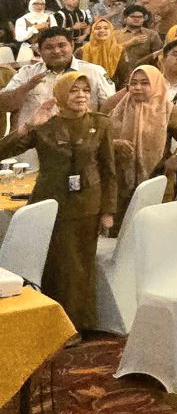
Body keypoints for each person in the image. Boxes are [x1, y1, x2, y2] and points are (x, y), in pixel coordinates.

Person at [0, 73, 117, 331]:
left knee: (80, 267)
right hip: (50, 203)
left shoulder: (101, 123)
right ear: (61, 94)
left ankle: (78, 325)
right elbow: (3, 151)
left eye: (85, 90)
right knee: (56, 265)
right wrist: (29, 125)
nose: (81, 95)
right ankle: (53, 324)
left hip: (87, 205)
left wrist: (108, 210)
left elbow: (109, 170)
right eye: (74, 90)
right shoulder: (45, 124)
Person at [106, 63, 177, 219]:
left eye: (144, 83)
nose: (137, 87)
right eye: (133, 83)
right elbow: (102, 139)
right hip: (122, 182)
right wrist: (115, 144)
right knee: (125, 228)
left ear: (156, 85)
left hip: (157, 177)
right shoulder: (118, 110)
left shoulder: (168, 111)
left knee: (155, 225)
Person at [1, 27, 116, 128]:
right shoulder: (27, 73)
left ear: (72, 46)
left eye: (62, 45)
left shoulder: (94, 72)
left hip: (79, 138)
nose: (56, 51)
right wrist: (27, 87)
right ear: (39, 51)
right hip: (32, 139)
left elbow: (110, 109)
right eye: (49, 47)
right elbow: (3, 105)